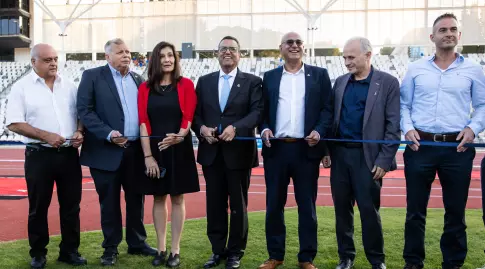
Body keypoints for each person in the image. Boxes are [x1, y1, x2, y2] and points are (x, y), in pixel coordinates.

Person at [400, 13, 485, 269]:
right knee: (415, 212)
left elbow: (482, 106)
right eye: (442, 29)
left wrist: (473, 128)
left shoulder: (473, 69)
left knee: (455, 213)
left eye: (453, 29)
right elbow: (404, 105)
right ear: (432, 37)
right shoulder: (416, 69)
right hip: (420, 146)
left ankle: (453, 263)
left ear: (458, 36)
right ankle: (413, 262)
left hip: (457, 148)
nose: (448, 33)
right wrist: (407, 129)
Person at [5, 43, 87, 268]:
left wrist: (80, 131)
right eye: (47, 59)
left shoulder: (69, 85)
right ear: (34, 62)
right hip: (39, 155)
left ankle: (70, 251)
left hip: (69, 155)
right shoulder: (21, 88)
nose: (53, 63)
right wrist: (46, 136)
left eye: (55, 59)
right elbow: (14, 123)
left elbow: (81, 114)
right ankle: (38, 253)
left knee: (72, 206)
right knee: (38, 207)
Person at [77, 38, 157, 266]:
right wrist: (109, 133)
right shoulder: (92, 76)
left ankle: (137, 242)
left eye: (128, 52)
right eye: (120, 52)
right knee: (109, 202)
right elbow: (85, 110)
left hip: (134, 151)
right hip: (105, 151)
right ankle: (110, 248)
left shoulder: (138, 79)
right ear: (107, 56)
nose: (126, 55)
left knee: (136, 200)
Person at [258, 32, 333, 269]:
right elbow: (262, 112)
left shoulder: (319, 75)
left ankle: (306, 258)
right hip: (276, 150)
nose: (294, 46)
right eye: (289, 42)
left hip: (306, 150)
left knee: (307, 208)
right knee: (273, 206)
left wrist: (319, 132)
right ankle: (275, 255)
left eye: (298, 42)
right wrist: (265, 128)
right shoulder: (269, 77)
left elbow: (327, 110)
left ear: (304, 47)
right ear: (280, 48)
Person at [192, 36, 263, 269]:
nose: (228, 52)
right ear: (217, 53)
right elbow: (195, 114)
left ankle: (235, 252)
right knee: (214, 204)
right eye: (223, 49)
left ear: (240, 54)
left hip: (239, 153)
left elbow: (257, 112)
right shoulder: (204, 81)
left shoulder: (252, 81)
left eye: (232, 49)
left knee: (238, 206)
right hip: (211, 153)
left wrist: (237, 127)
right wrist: (202, 129)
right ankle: (217, 250)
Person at [329, 37, 400, 269]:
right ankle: (346, 257)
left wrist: (384, 159)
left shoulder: (387, 82)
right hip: (340, 155)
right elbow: (332, 119)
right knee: (342, 211)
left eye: (351, 57)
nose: (346, 62)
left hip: (368, 158)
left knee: (369, 212)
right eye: (345, 57)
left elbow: (393, 126)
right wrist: (326, 151)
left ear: (368, 55)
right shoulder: (339, 82)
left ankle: (376, 260)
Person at [137, 41, 200, 267]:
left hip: (178, 149)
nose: (167, 59)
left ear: (176, 59)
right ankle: (161, 249)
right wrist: (148, 157)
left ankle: (175, 250)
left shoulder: (186, 84)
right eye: (163, 56)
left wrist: (181, 136)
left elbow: (189, 116)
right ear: (156, 59)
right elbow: (143, 123)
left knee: (177, 197)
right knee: (158, 197)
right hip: (154, 150)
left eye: (171, 55)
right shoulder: (145, 88)